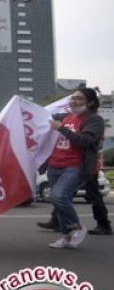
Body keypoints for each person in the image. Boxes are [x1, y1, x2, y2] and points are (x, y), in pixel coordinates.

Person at [45, 88, 105, 249]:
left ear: (90, 102)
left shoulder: (95, 120)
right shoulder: (65, 117)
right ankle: (66, 236)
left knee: (59, 196)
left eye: (79, 98)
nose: (73, 101)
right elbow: (42, 116)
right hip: (55, 165)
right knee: (58, 201)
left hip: (75, 166)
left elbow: (85, 140)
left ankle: (76, 227)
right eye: (72, 98)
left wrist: (61, 128)